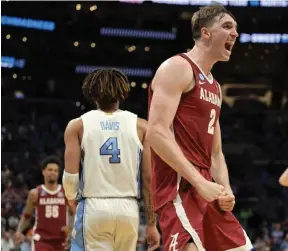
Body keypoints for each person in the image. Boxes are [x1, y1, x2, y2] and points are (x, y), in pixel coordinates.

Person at [147, 4, 252, 251]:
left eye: (236, 29)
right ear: (205, 33)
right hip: (178, 186)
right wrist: (198, 182)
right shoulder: (177, 67)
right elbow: (156, 132)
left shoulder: (215, 87)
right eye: (227, 26)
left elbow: (215, 152)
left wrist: (225, 189)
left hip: (205, 187)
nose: (235, 34)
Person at [62, 68, 160, 251]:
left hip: (94, 206)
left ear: (92, 94)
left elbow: (70, 178)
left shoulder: (77, 126)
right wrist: (152, 223)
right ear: (123, 93)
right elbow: (148, 179)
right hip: (128, 209)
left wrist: (72, 199)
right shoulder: (142, 127)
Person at [15, 156, 74, 251]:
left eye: (56, 170)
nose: (53, 172)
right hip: (41, 240)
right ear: (43, 172)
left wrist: (70, 229)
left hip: (60, 240)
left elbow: (73, 213)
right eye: (50, 170)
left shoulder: (66, 192)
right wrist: (19, 231)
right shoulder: (35, 193)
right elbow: (26, 215)